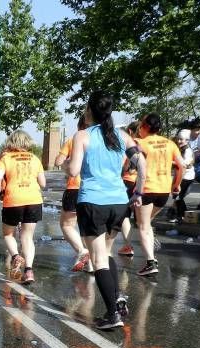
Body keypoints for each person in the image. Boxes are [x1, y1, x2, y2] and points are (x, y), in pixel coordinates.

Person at [67, 91, 146, 330]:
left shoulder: (82, 136)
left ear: (89, 110)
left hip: (93, 201)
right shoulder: (121, 136)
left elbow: (73, 171)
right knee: (107, 253)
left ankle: (113, 314)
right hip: (118, 201)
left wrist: (65, 164)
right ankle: (116, 296)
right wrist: (138, 192)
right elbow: (141, 163)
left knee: (98, 258)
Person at [133, 113, 183, 276]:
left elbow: (130, 163)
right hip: (164, 190)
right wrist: (176, 185)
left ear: (145, 127)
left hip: (146, 188)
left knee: (143, 225)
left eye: (141, 125)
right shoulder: (170, 143)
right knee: (147, 222)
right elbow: (181, 167)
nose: (139, 129)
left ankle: (150, 261)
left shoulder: (140, 143)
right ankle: (151, 250)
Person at [0, 130, 46, 285]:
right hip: (33, 200)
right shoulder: (35, 158)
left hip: (13, 200)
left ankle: (16, 257)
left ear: (12, 141)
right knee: (27, 237)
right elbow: (43, 184)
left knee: (8, 235)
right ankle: (29, 271)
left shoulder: (6, 158)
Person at [55, 116, 91, 272]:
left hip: (75, 187)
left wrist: (66, 166)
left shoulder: (74, 139)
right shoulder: (103, 141)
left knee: (67, 225)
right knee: (89, 228)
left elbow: (57, 161)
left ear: (79, 125)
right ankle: (92, 264)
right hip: (96, 189)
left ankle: (82, 251)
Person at [116, 122, 140, 257]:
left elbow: (124, 165)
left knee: (123, 215)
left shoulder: (128, 143)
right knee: (139, 218)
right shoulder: (144, 143)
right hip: (142, 184)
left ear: (130, 132)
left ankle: (127, 246)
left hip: (128, 181)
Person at [171, 129, 195, 224]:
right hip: (181, 175)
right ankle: (184, 215)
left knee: (178, 197)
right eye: (178, 139)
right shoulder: (181, 149)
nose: (179, 141)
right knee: (177, 197)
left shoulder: (188, 150)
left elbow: (184, 164)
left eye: (181, 139)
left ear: (187, 140)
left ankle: (181, 216)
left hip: (186, 176)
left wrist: (170, 161)